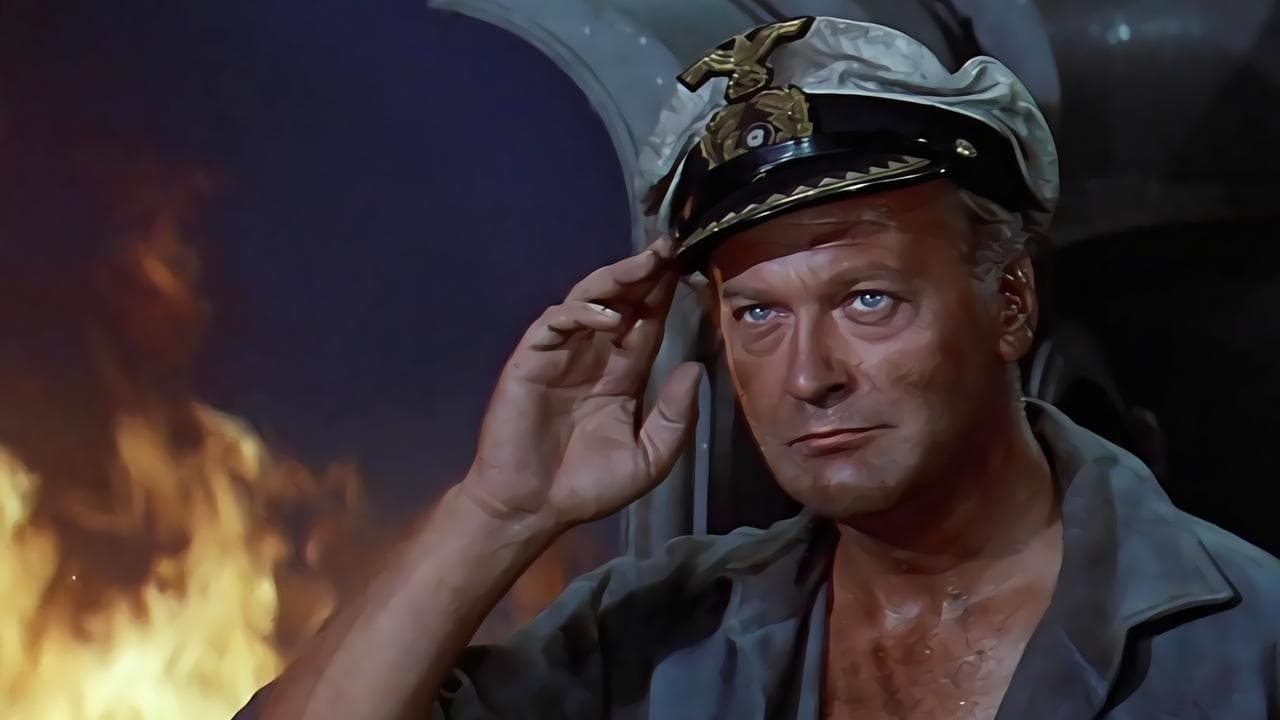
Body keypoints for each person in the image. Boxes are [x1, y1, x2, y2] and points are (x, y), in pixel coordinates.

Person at [236, 17, 1280, 720]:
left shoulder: (1247, 642)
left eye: (866, 300)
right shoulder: (657, 637)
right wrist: (498, 510)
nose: (808, 375)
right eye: (757, 314)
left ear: (1007, 303)